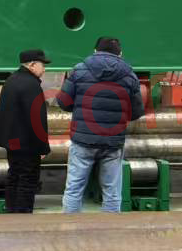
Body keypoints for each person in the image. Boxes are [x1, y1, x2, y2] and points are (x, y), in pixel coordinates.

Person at [55, 36, 144, 213]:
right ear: (120, 54)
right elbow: (136, 112)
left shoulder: (79, 70)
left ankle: (70, 227)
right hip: (113, 141)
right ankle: (110, 228)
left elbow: (63, 102)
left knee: (74, 188)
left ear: (95, 51)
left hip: (83, 140)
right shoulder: (129, 75)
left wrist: (80, 108)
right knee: (112, 191)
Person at [0, 49, 51, 213]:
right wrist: (43, 147)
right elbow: (36, 119)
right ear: (32, 65)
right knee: (27, 180)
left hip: (12, 141)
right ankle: (23, 216)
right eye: (42, 65)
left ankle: (12, 212)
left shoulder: (12, 80)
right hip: (27, 144)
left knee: (14, 176)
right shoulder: (31, 85)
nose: (44, 69)